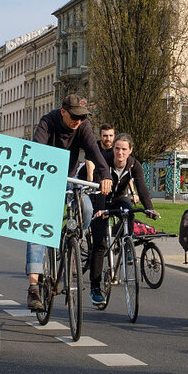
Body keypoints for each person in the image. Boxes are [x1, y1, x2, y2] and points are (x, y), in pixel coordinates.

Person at [25, 94, 113, 311]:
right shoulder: (48, 122)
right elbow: (37, 150)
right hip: (46, 180)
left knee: (87, 207)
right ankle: (34, 288)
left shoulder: (83, 127)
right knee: (38, 230)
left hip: (70, 180)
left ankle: (70, 239)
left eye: (82, 117)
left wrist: (105, 175)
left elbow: (94, 150)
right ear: (63, 112)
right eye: (74, 116)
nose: (78, 121)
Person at [88, 133, 159, 307]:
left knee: (129, 211)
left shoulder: (134, 164)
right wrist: (100, 210)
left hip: (118, 197)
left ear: (130, 151)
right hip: (98, 198)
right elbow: (98, 186)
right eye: (117, 148)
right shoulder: (103, 160)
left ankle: (125, 241)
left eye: (124, 149)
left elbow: (141, 187)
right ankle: (95, 288)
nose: (120, 153)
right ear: (113, 149)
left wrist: (149, 208)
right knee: (99, 244)